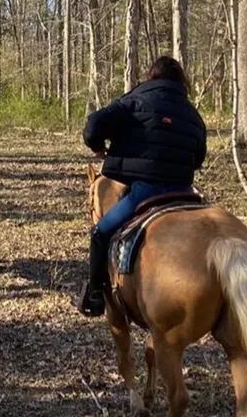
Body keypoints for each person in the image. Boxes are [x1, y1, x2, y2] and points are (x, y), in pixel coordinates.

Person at [80, 56, 207, 317]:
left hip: (146, 190)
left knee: (100, 233)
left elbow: (93, 125)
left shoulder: (135, 101)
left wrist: (98, 147)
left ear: (152, 77)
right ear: (180, 81)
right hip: (186, 193)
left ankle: (95, 294)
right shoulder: (192, 114)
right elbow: (199, 157)